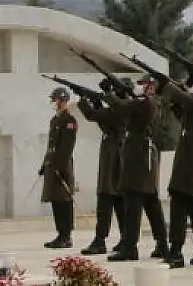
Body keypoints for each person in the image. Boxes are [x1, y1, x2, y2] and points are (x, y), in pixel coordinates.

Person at [153, 71, 193, 268]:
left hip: (191, 162)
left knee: (180, 205)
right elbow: (182, 110)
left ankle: (176, 251)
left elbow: (183, 98)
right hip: (191, 161)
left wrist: (168, 84)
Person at [104, 77, 170, 262]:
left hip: (138, 155)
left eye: (143, 84)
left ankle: (129, 247)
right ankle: (162, 244)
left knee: (133, 201)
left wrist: (109, 95)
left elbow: (123, 108)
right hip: (142, 154)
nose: (140, 87)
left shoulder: (145, 101)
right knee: (150, 202)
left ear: (150, 86)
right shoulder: (148, 102)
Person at [75, 81, 126, 256]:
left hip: (113, 158)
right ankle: (125, 239)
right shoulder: (123, 110)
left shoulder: (118, 110)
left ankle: (100, 240)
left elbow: (91, 115)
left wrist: (82, 98)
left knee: (105, 200)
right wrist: (96, 101)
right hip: (116, 155)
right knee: (119, 202)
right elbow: (104, 123)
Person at [40, 87, 78, 249]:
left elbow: (67, 147)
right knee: (56, 200)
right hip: (52, 165)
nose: (53, 103)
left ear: (63, 101)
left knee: (64, 201)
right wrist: (45, 164)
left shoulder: (69, 121)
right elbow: (51, 145)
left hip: (62, 166)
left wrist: (59, 167)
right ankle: (60, 234)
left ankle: (66, 236)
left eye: (55, 100)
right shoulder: (54, 120)